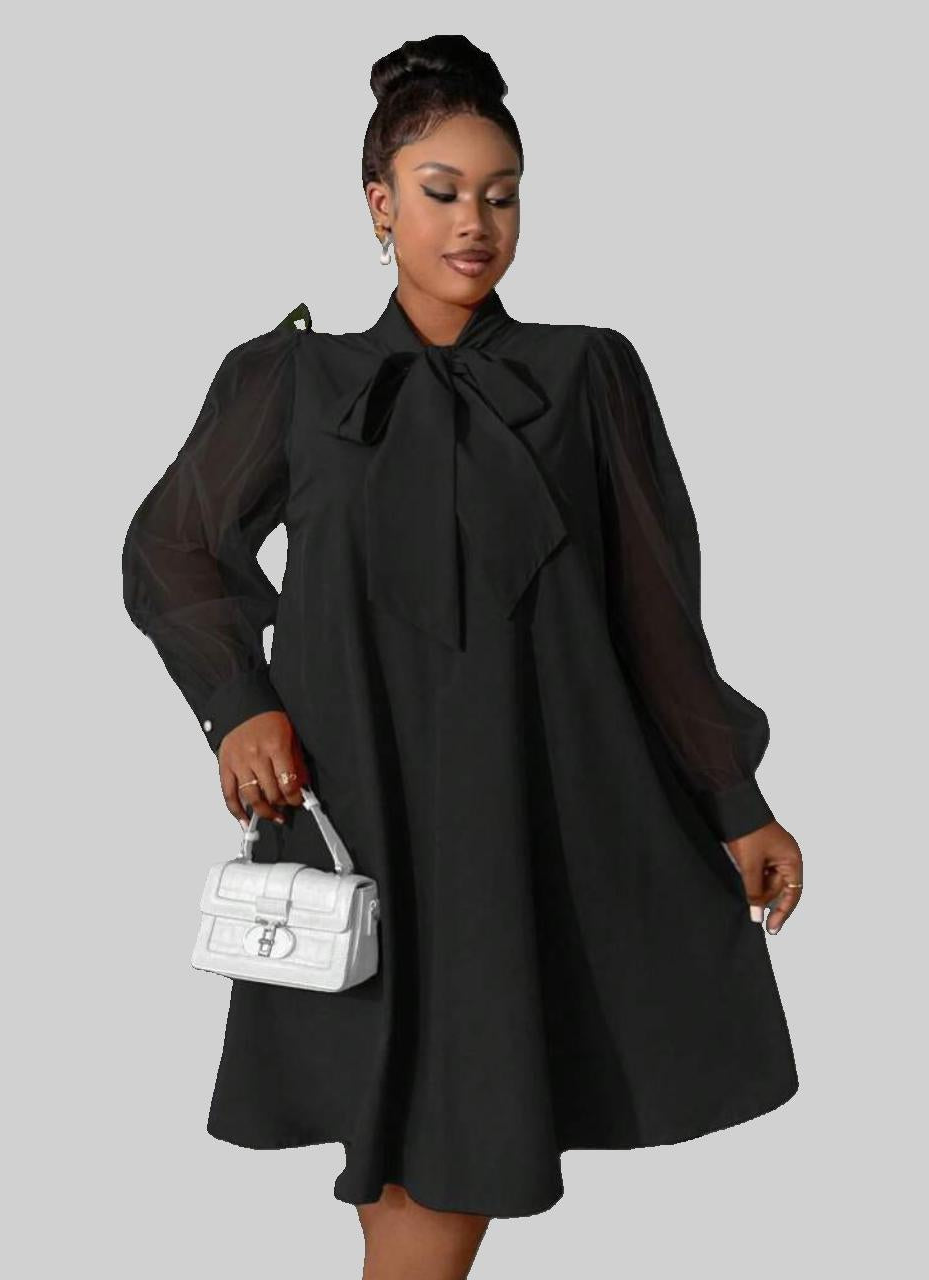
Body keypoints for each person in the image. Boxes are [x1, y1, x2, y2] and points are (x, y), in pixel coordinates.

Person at [121, 34, 803, 1280]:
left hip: (529, 822)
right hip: (359, 816)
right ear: (379, 204)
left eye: (502, 195)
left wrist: (734, 797)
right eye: (441, 192)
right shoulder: (291, 378)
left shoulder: (586, 373)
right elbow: (170, 548)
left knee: (440, 1170)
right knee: (399, 1171)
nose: (475, 224)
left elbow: (659, 614)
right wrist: (236, 703)